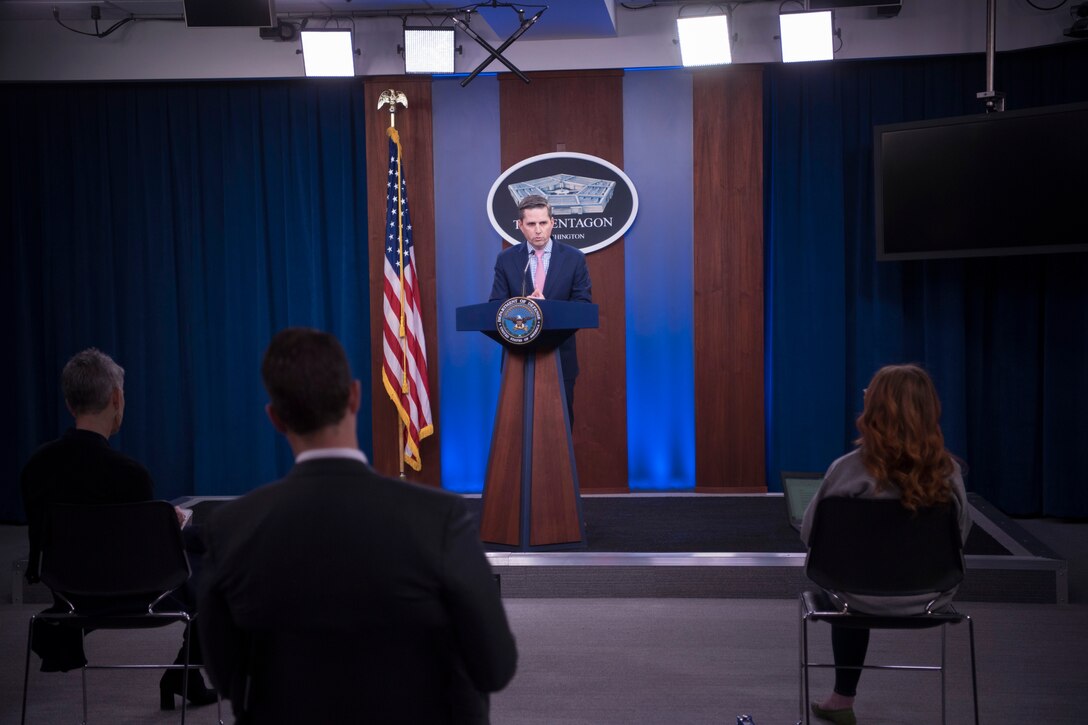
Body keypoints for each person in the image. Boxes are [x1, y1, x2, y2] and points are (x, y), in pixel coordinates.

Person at [198, 328, 518, 724]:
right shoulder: (440, 518)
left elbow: (228, 679)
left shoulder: (229, 527)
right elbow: (495, 666)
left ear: (276, 419)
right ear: (355, 396)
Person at [19, 347, 216, 708]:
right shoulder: (129, 474)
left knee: (199, 543)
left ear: (69, 403)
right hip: (136, 597)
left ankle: (183, 676)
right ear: (115, 398)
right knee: (217, 571)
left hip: (68, 594)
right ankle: (184, 671)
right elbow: (143, 561)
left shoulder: (36, 467)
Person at [800, 364, 971, 725]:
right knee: (854, 577)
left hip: (853, 597)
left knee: (847, 582)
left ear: (873, 410)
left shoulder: (845, 470)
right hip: (931, 595)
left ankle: (841, 698)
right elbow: (960, 537)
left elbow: (810, 535)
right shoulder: (949, 474)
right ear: (929, 410)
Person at [490, 194, 592, 422]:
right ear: (520, 226)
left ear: (552, 223)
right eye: (531, 224)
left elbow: (583, 306)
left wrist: (549, 309)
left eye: (543, 223)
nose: (538, 230)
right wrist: (523, 308)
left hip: (560, 359)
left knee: (560, 426)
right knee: (518, 426)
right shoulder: (506, 260)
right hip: (518, 359)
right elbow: (495, 307)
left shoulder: (574, 259)